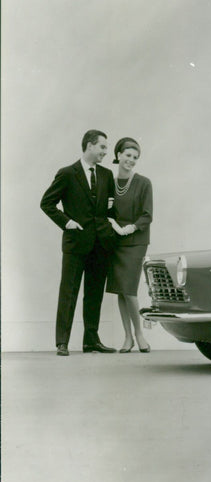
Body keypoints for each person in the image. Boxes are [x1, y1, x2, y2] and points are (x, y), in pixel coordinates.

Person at [41, 129, 118, 356]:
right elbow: (47, 203)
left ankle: (91, 341)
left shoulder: (106, 175)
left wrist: (109, 232)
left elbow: (110, 209)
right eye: (103, 147)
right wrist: (67, 223)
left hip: (101, 245)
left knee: (94, 294)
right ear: (90, 145)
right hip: (76, 244)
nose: (106, 151)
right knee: (69, 292)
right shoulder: (67, 173)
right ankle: (62, 342)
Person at [106, 137, 153, 353]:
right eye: (127, 155)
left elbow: (147, 215)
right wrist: (113, 223)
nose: (131, 160)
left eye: (135, 157)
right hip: (116, 241)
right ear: (118, 155)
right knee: (120, 291)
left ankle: (140, 335)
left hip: (135, 242)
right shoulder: (110, 182)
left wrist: (131, 228)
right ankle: (127, 338)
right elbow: (105, 211)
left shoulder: (144, 183)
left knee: (130, 290)